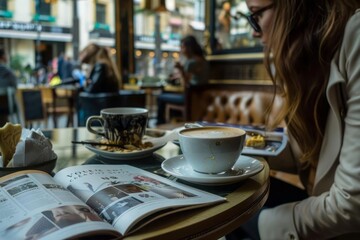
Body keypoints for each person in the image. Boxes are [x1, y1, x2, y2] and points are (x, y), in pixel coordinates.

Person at [226, 1, 360, 239]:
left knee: (229, 210)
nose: (254, 31)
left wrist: (262, 224)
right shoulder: (313, 61)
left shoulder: (356, 35)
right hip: (328, 205)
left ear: (295, 7)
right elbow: (307, 155)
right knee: (227, 191)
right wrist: (224, 144)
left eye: (256, 14)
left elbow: (352, 204)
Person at [156, 35, 208, 125]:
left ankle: (160, 123)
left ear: (189, 48)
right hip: (202, 95)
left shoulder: (190, 62)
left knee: (161, 97)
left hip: (190, 97)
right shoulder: (203, 60)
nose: (181, 50)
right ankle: (172, 121)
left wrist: (180, 69)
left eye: (182, 47)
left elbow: (185, 84)